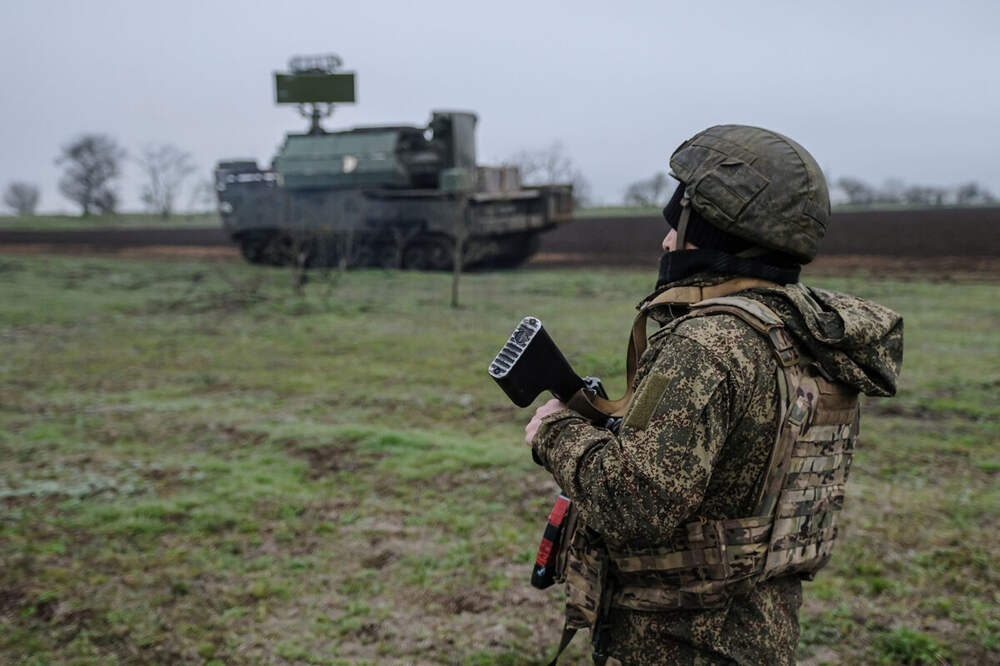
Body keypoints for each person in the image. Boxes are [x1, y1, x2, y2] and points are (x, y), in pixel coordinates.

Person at [524, 125, 903, 665]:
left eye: (676, 225)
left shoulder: (708, 344)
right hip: (758, 633)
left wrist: (555, 431)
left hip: (677, 641)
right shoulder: (806, 332)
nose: (666, 242)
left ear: (713, 230)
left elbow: (634, 504)